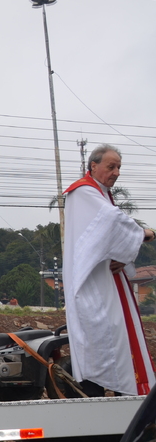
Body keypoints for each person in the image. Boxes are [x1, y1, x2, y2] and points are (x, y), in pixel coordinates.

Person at [64, 144, 156, 396]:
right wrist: (147, 233)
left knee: (116, 337)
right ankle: (99, 395)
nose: (116, 172)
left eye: (118, 168)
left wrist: (121, 256)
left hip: (106, 278)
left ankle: (122, 394)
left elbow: (109, 231)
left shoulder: (100, 193)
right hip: (92, 282)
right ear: (93, 166)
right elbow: (113, 220)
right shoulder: (83, 191)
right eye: (110, 166)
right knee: (101, 338)